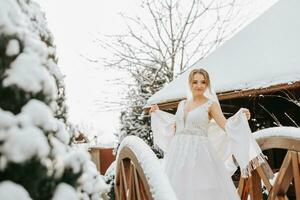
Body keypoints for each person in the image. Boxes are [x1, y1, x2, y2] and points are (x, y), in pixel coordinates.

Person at [149, 68, 265, 200]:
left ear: (207, 84)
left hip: (199, 154)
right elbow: (175, 127)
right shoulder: (182, 104)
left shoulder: (211, 104)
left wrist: (240, 117)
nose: (199, 86)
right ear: (190, 83)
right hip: (178, 154)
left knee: (202, 188)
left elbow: (225, 125)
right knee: (175, 188)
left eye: (203, 82)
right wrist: (157, 114)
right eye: (195, 82)